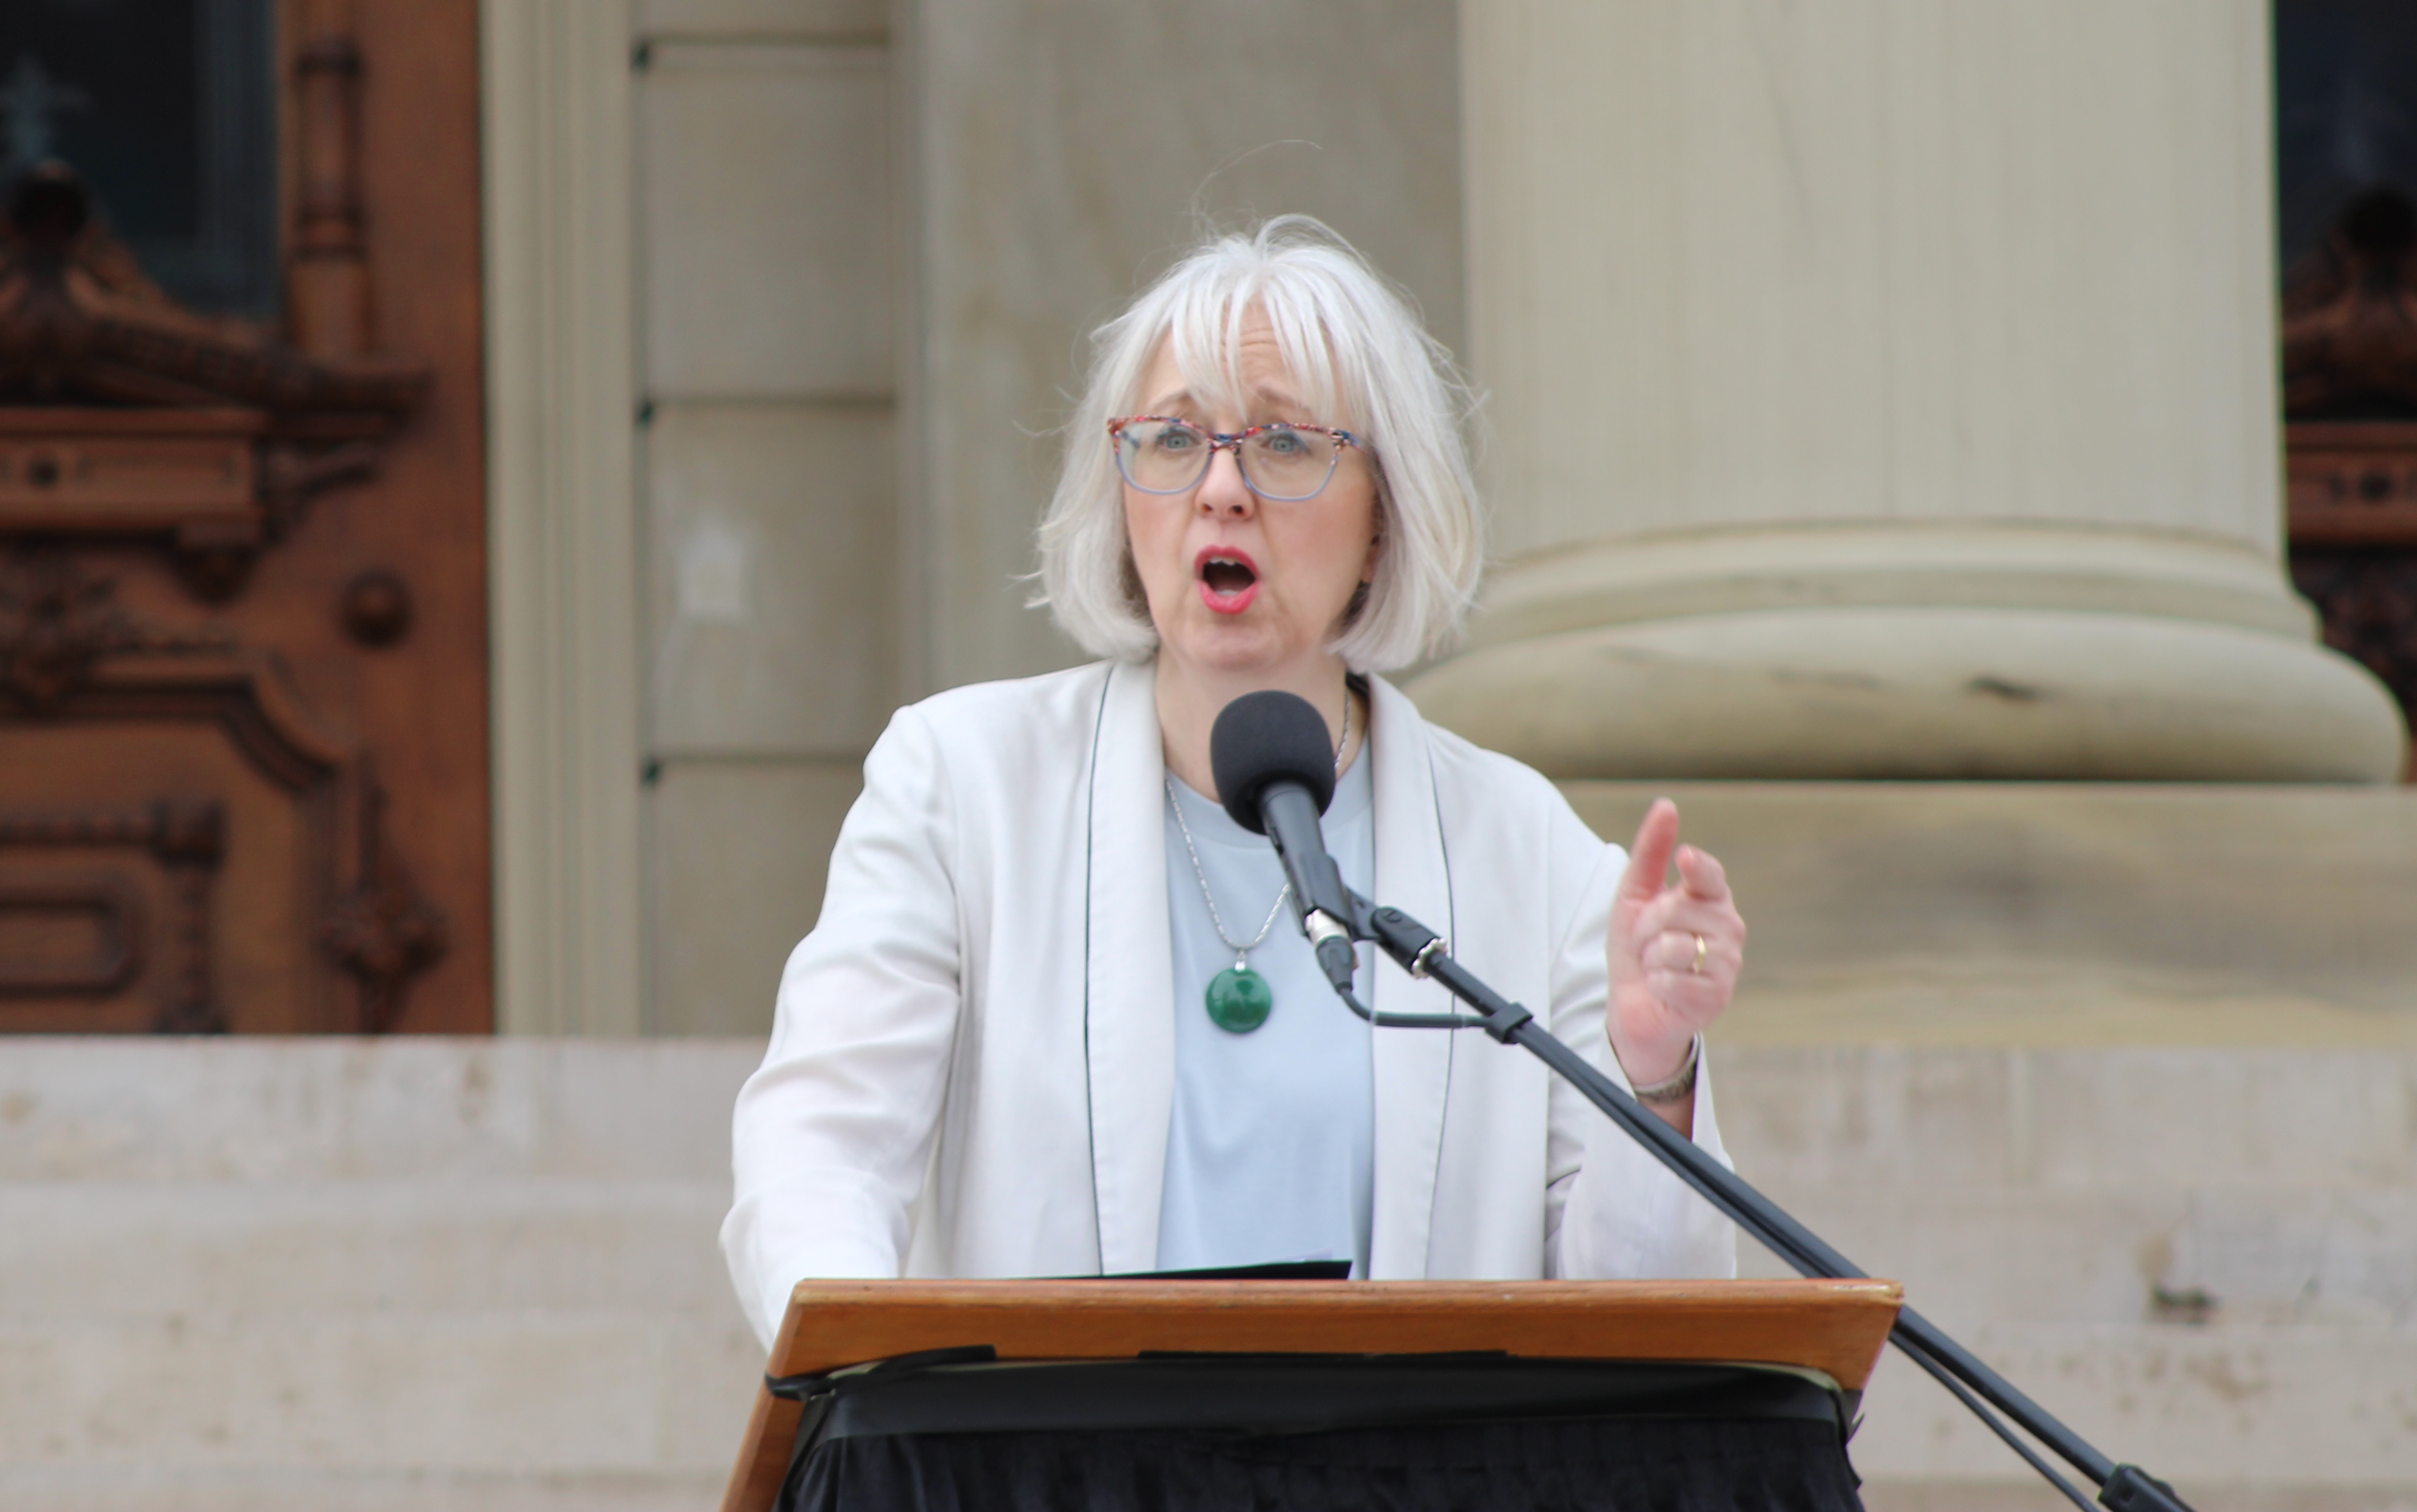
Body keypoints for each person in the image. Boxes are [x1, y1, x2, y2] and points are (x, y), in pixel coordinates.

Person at [722, 217, 1747, 1348]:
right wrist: (868, 1372)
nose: (1220, 488)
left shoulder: (1528, 850)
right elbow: (819, 1151)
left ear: (1384, 520)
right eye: (1173, 438)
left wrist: (1655, 1072)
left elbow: (1642, 1323)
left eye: (1286, 443)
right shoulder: (963, 788)